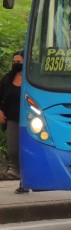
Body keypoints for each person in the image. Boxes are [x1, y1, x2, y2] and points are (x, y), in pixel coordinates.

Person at [0, 50, 29, 194]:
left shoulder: (31, 80)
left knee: (28, 152)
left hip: (30, 121)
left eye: (19, 62)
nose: (16, 64)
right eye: (14, 62)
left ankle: (25, 182)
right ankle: (23, 174)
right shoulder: (7, 79)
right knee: (13, 151)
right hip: (12, 120)